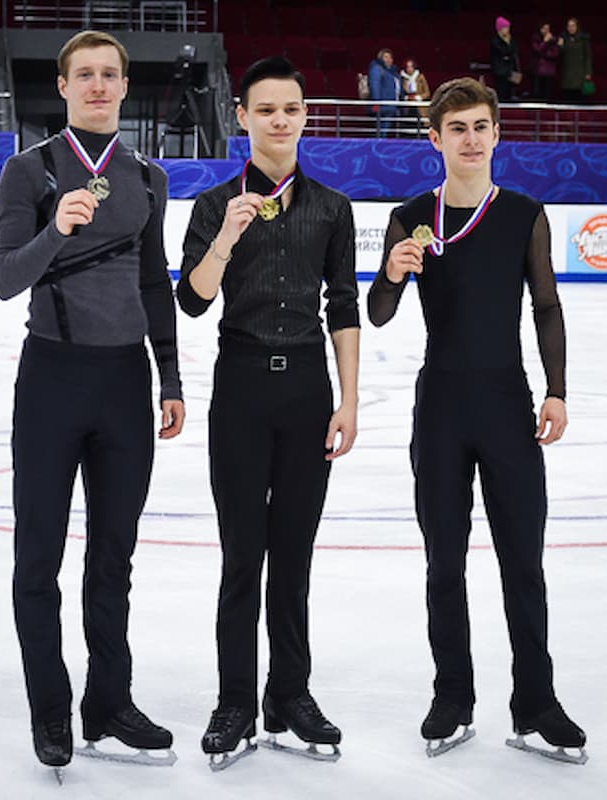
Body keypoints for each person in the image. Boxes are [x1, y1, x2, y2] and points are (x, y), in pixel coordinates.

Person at [367, 76, 586, 764]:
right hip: (440, 408)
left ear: (496, 134)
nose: (468, 138)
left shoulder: (523, 213)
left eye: (479, 127)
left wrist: (554, 390)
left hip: (506, 405)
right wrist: (394, 274)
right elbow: (374, 312)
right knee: (443, 564)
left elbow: (544, 307)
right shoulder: (411, 217)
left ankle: (536, 703)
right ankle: (451, 696)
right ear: (434, 139)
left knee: (523, 562)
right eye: (454, 127)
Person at [0, 29, 185, 773]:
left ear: (124, 87)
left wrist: (168, 377)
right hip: (51, 380)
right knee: (38, 558)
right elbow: (5, 279)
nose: (98, 86)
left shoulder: (147, 176)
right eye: (85, 75)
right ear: (63, 88)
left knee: (114, 558)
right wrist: (55, 231)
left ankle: (108, 703)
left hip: (124, 384)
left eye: (110, 75)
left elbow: (152, 283)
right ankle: (51, 712)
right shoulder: (28, 171)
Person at [177, 56, 359, 768]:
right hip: (242, 391)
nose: (279, 120)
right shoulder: (213, 204)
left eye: (291, 109)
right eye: (266, 110)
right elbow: (190, 301)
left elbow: (343, 306)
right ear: (243, 118)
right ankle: (234, 702)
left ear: (303, 117)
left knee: (293, 556)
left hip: (308, 392)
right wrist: (225, 236)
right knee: (240, 557)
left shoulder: (331, 208)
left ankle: (289, 693)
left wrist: (348, 399)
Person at [557, 17, 592, 104]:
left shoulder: (583, 39)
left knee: (579, 98)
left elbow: (588, 56)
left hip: (580, 74)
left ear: (577, 27)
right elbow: (559, 55)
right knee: (567, 98)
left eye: (573, 26)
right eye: (569, 26)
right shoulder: (563, 38)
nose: (571, 28)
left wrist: (588, 72)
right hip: (567, 74)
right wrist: (560, 46)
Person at [368, 47, 401, 138]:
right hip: (383, 107)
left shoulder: (393, 72)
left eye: (390, 57)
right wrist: (377, 102)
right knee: (381, 131)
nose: (389, 59)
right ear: (380, 58)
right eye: (386, 57)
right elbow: (375, 86)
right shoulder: (377, 69)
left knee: (388, 131)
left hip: (392, 106)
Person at [490, 16, 521, 102]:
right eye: (506, 27)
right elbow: (504, 51)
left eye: (508, 27)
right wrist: (507, 45)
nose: (508, 30)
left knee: (509, 93)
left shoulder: (511, 40)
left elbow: (514, 50)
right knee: (501, 92)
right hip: (500, 71)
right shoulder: (495, 40)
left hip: (510, 70)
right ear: (500, 28)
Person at [531, 22, 560, 102]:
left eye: (548, 29)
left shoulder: (554, 40)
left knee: (547, 95)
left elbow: (555, 54)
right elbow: (537, 50)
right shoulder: (535, 39)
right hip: (538, 71)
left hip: (549, 71)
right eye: (544, 29)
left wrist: (544, 53)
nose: (546, 31)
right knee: (537, 95)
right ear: (540, 29)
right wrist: (545, 42)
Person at [400, 57, 430, 129]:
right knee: (408, 127)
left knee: (420, 127)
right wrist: (407, 97)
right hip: (408, 107)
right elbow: (400, 93)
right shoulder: (402, 78)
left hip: (419, 107)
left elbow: (427, 93)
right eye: (408, 67)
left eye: (411, 66)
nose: (409, 69)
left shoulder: (420, 77)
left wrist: (417, 97)